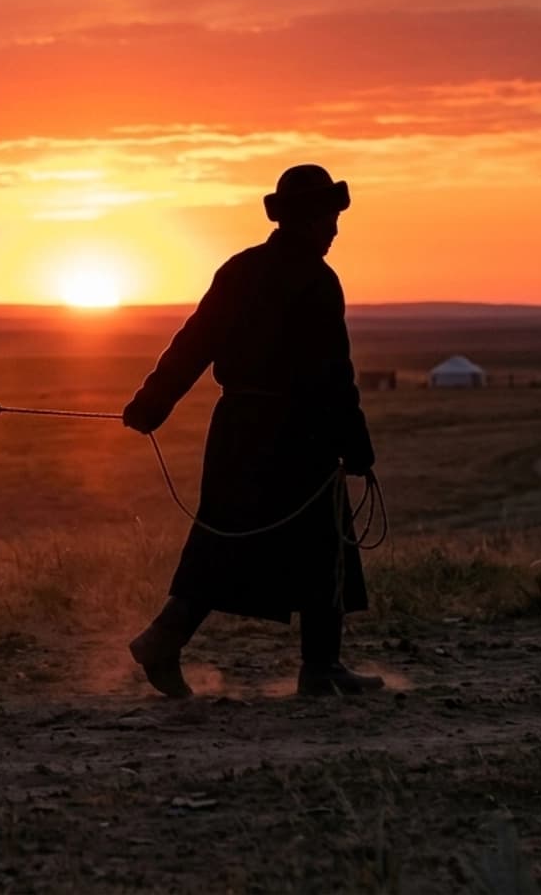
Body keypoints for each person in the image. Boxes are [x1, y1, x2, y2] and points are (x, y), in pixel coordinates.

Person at [121, 163, 382, 698]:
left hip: (238, 432)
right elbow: (335, 374)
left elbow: (194, 343)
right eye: (329, 217)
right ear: (307, 219)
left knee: (225, 540)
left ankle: (165, 639)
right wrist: (356, 447)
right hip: (300, 436)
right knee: (323, 543)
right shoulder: (318, 281)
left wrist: (151, 404)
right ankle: (320, 668)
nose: (335, 228)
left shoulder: (240, 269)